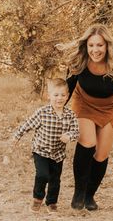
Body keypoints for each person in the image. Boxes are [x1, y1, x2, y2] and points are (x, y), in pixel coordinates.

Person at [65, 24, 113, 211]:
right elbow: (68, 88)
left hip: (111, 106)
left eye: (100, 45)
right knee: (88, 143)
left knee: (102, 153)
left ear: (107, 46)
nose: (95, 50)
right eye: (91, 46)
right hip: (84, 103)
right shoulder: (78, 60)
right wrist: (58, 113)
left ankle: (90, 195)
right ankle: (79, 193)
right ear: (86, 46)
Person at [13, 78, 79, 213]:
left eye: (63, 95)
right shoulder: (42, 113)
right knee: (43, 175)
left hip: (58, 154)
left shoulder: (70, 115)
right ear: (49, 96)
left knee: (55, 179)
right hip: (41, 151)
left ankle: (52, 202)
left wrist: (69, 136)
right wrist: (16, 137)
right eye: (56, 95)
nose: (59, 98)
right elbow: (27, 125)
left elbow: (76, 131)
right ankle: (37, 199)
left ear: (67, 96)